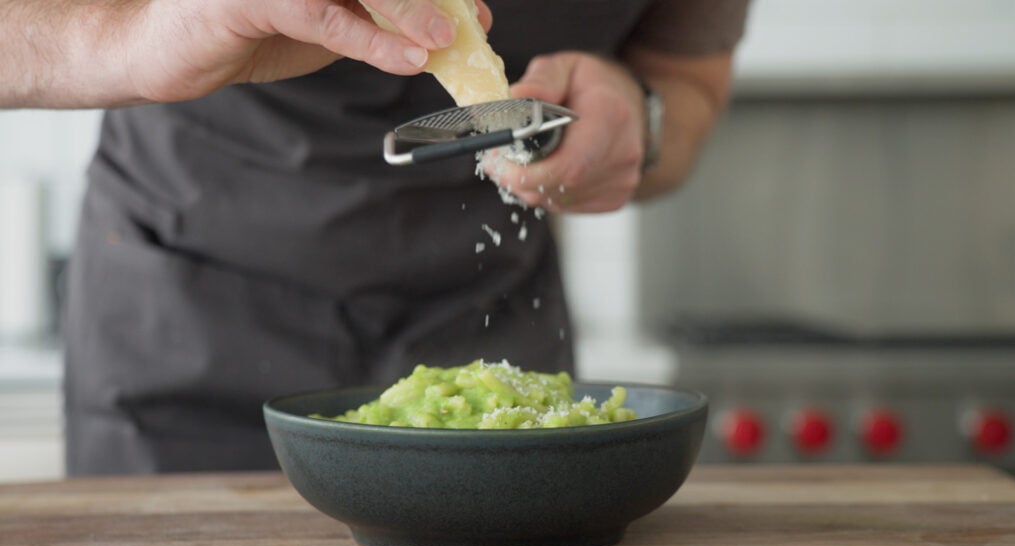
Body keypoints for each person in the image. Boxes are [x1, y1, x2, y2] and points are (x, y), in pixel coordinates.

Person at [1, 0, 748, 474]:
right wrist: (135, 35)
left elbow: (688, 85)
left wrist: (640, 120)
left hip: (493, 345)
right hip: (184, 321)